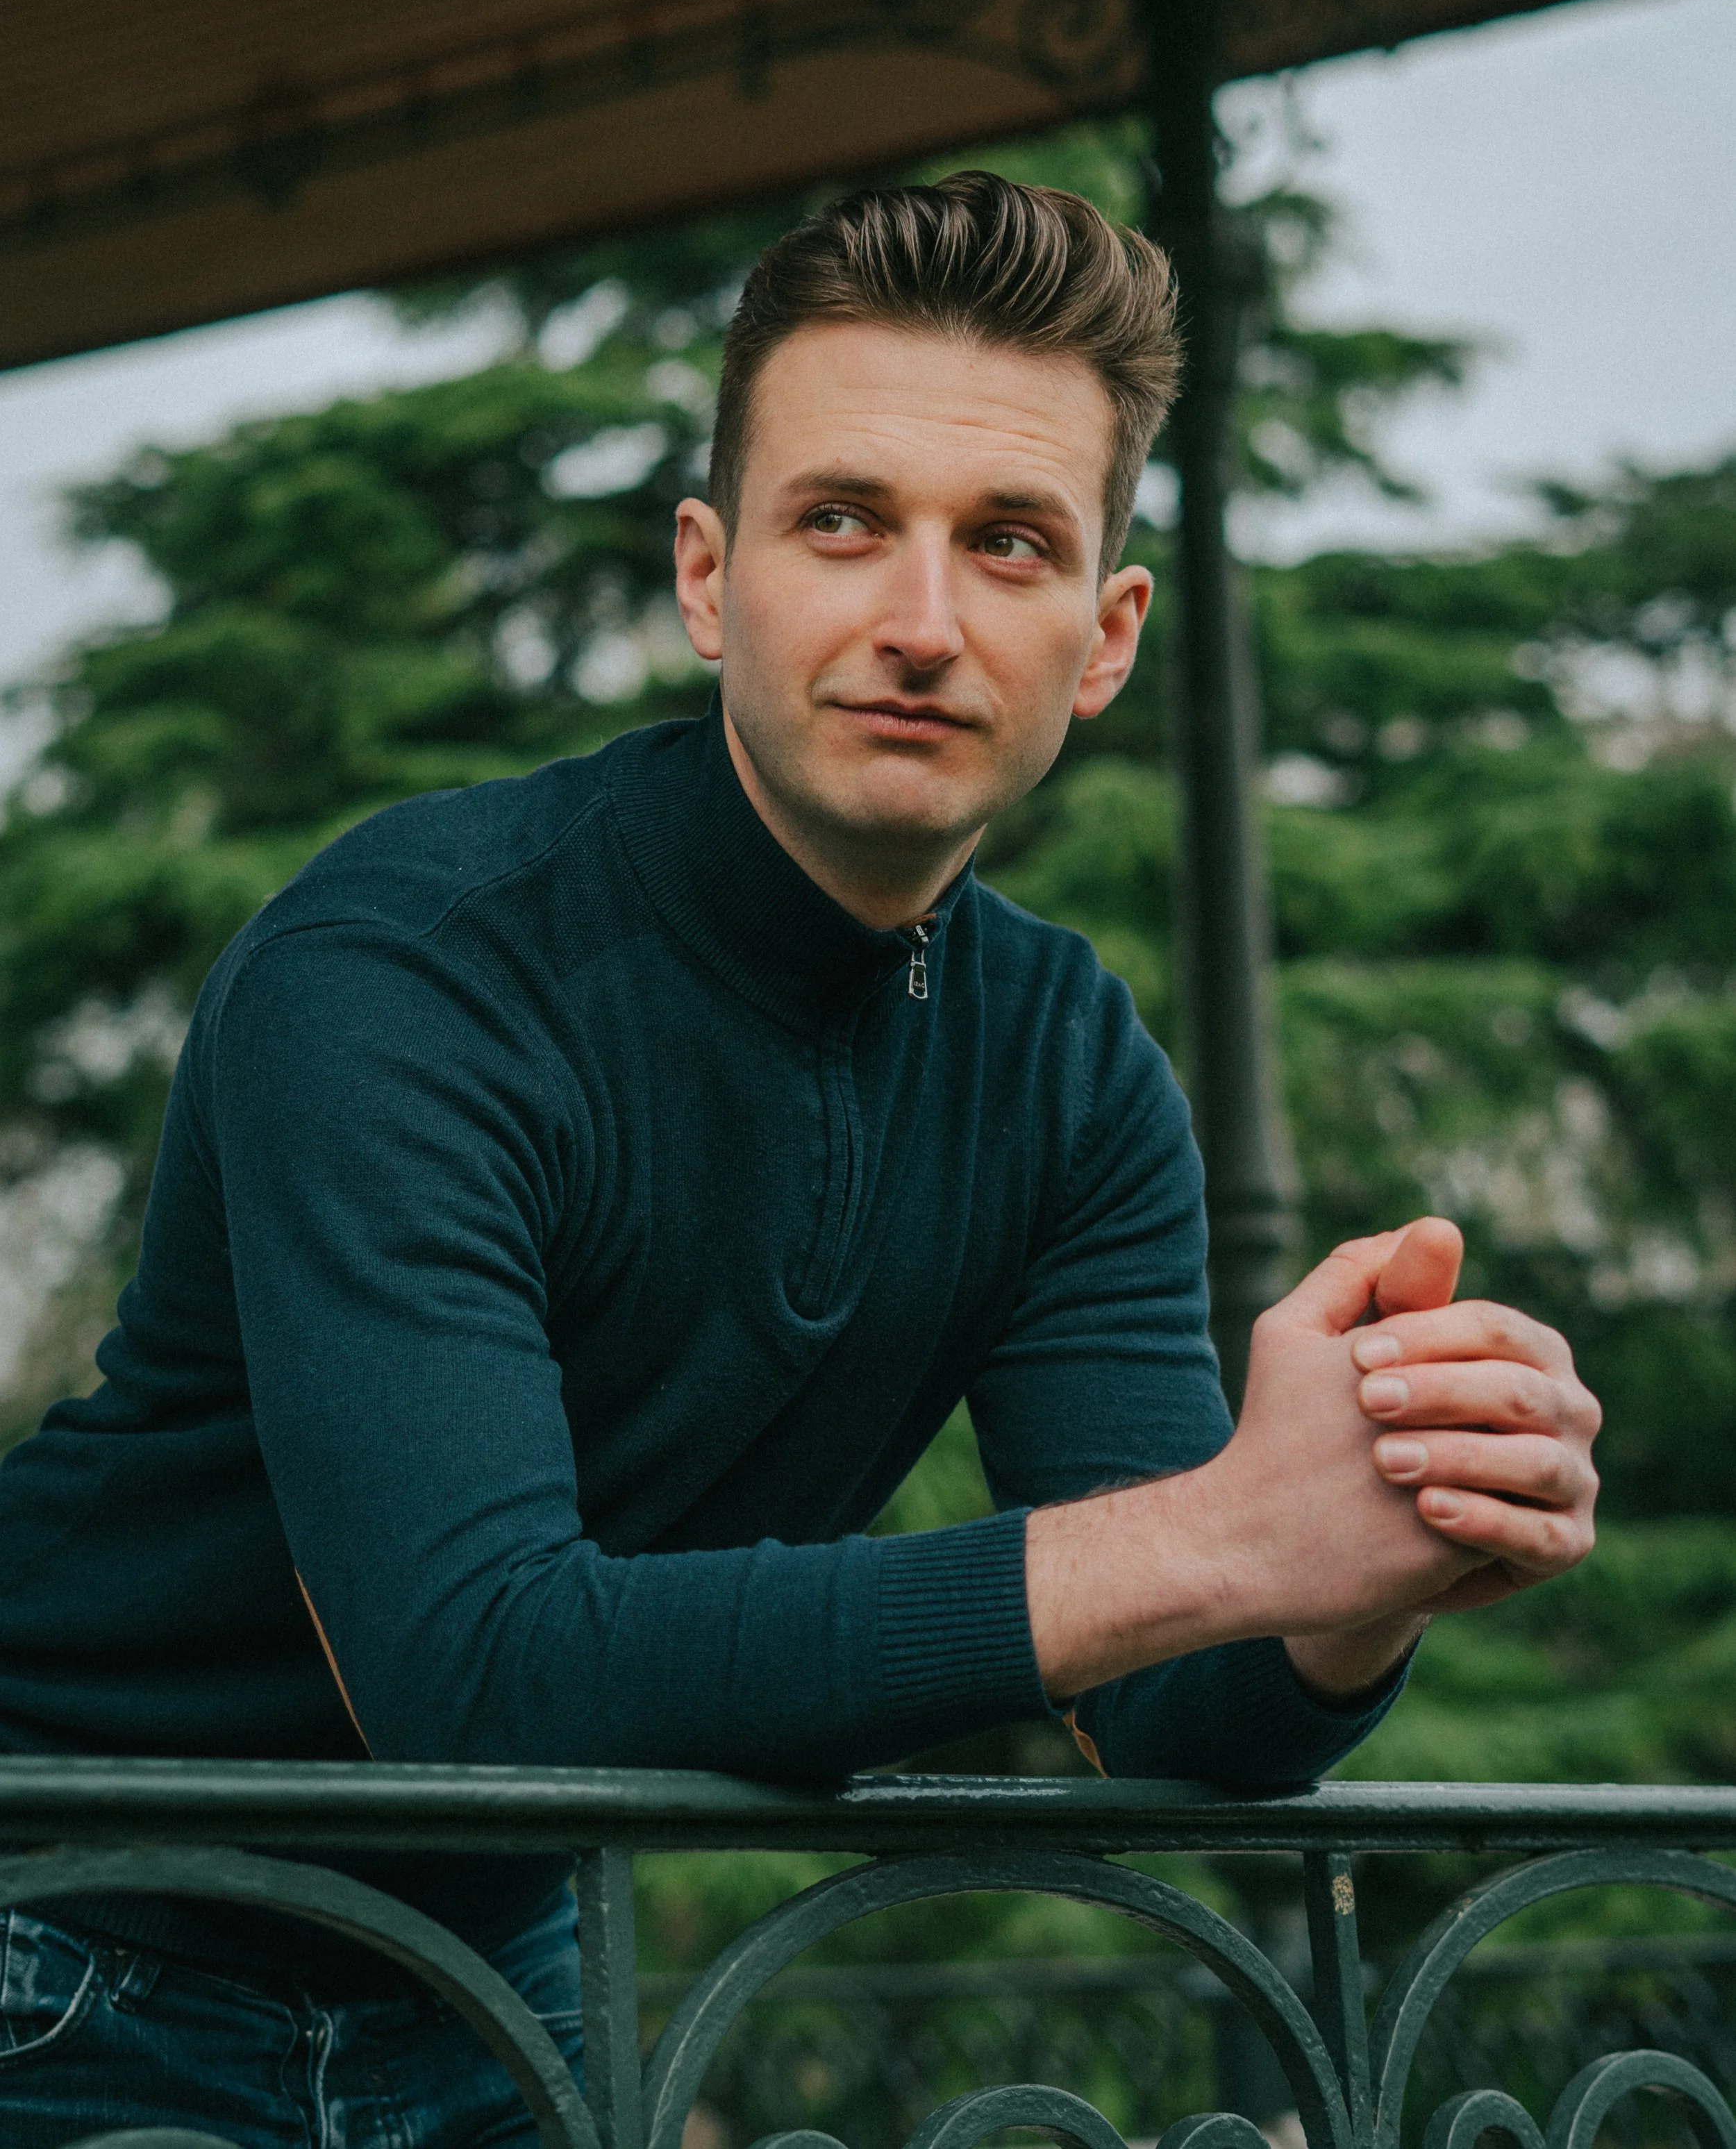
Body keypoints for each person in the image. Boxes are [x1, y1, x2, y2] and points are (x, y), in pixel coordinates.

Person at [0, 173, 1599, 2145]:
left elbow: (1168, 1707)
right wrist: (1216, 1539)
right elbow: (472, 1674)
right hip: (62, 1943)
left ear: (1101, 639)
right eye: (841, 521)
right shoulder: (406, 962)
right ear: (706, 573)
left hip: (498, 1985)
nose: (918, 623)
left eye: (1006, 545)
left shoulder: (1070, 1061)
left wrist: (1359, 1558)